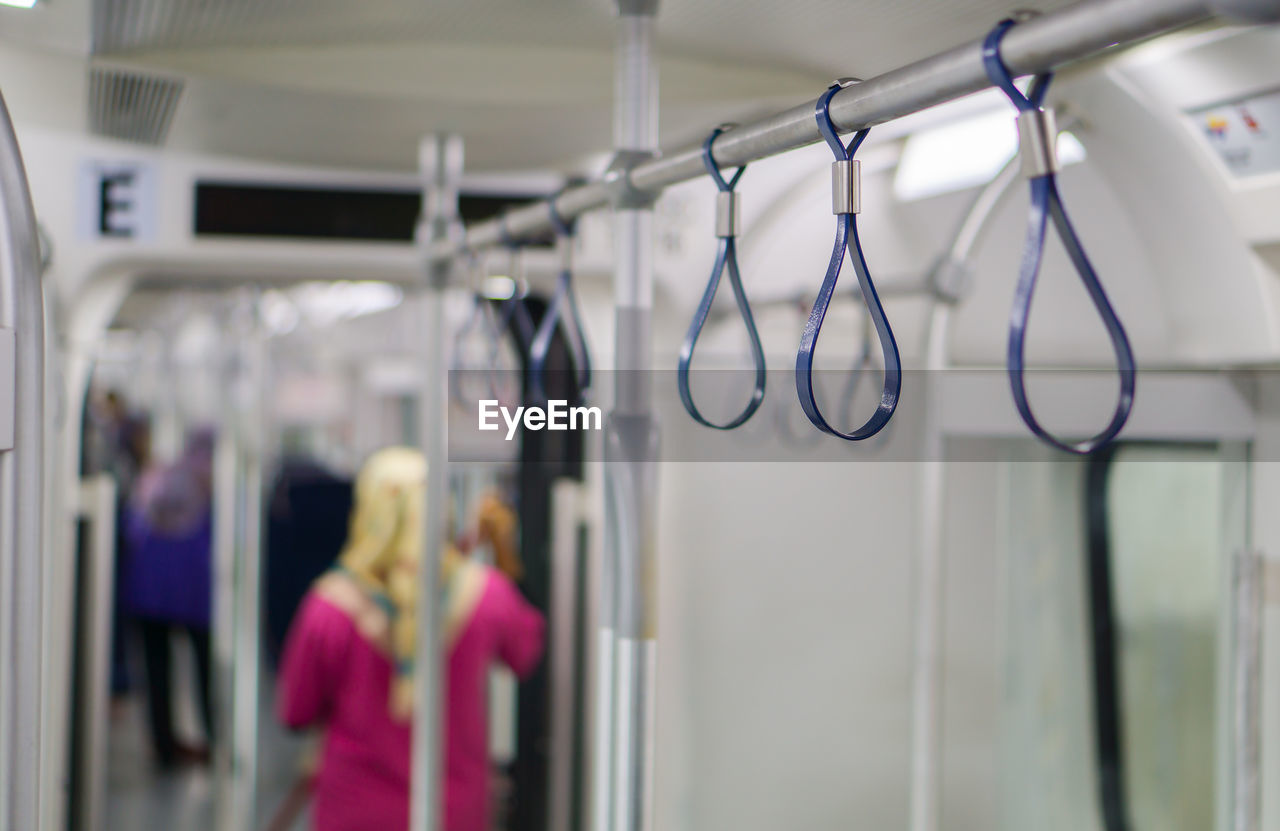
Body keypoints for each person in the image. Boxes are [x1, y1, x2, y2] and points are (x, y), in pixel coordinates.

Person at [276, 447, 544, 831]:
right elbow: (526, 652)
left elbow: (296, 712)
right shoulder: (485, 594)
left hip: (353, 811)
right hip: (453, 812)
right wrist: (504, 555)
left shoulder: (329, 607)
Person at [120, 429, 216, 769]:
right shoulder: (207, 482)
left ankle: (165, 747)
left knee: (157, 670)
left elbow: (134, 528)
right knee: (205, 666)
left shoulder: (155, 478)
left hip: (149, 588)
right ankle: (215, 740)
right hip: (194, 590)